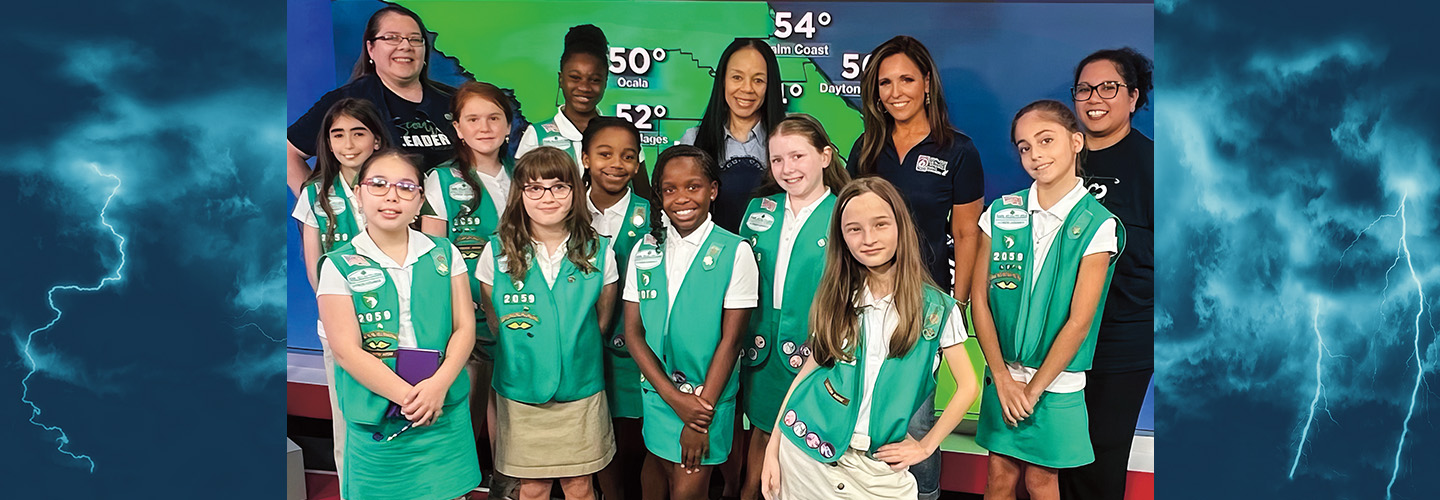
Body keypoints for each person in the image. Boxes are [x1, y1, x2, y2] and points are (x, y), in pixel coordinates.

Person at [759, 176, 979, 500]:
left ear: (900, 227)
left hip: (878, 471)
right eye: (854, 229)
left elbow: (968, 386)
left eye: (880, 225)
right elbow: (807, 373)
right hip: (806, 453)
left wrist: (926, 445)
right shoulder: (836, 297)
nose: (868, 239)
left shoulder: (937, 308)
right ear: (842, 237)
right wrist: (773, 447)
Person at [845, 35, 984, 500]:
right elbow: (851, 228)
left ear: (927, 84)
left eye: (906, 78)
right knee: (861, 410)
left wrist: (957, 305)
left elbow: (966, 235)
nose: (895, 90)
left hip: (924, 308)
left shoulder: (957, 150)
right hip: (866, 304)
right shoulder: (865, 147)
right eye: (885, 82)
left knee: (917, 424)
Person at [971, 100, 1123, 500]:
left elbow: (1079, 322)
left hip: (1054, 382)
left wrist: (1033, 389)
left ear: (1076, 142)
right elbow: (979, 299)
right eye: (1024, 147)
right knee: (999, 478)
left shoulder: (1097, 224)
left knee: (1042, 481)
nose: (1035, 154)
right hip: (1004, 377)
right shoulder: (1001, 212)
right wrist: (1003, 378)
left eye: (1045, 140)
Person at [316, 149, 481, 500]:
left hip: (442, 409)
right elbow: (346, 352)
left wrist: (437, 387)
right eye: (378, 184)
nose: (392, 195)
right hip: (378, 413)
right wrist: (410, 399)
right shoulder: (338, 264)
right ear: (359, 195)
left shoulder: (444, 252)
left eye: (406, 187)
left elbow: (465, 328)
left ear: (420, 201)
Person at [474, 146, 620, 500]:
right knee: (533, 488)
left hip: (580, 388)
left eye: (559, 186)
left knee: (579, 487)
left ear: (575, 191)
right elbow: (495, 322)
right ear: (519, 194)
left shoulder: (599, 251)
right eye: (534, 188)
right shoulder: (496, 253)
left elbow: (601, 321)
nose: (547, 197)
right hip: (522, 390)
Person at [622, 145, 758, 500]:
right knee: (654, 475)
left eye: (693, 187)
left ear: (712, 190)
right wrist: (672, 397)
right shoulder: (645, 249)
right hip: (659, 397)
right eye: (669, 189)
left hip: (705, 402)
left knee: (688, 487)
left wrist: (699, 415)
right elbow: (634, 334)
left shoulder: (735, 251)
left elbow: (731, 342)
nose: (681, 198)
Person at [736, 114, 851, 500]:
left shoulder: (843, 213)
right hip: (762, 353)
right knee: (762, 433)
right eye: (778, 159)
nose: (788, 169)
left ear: (825, 156)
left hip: (820, 353)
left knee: (806, 442)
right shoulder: (758, 211)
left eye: (798, 156)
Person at [1059, 47, 1154, 500]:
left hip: (1121, 340)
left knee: (1098, 460)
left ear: (1133, 97)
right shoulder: (1057, 161)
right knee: (1048, 460)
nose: (1094, 98)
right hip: (1054, 339)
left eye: (1108, 87)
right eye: (1083, 89)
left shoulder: (1155, 166)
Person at [419, 80, 515, 493]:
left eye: (494, 117)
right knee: (465, 413)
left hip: (517, 316)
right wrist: (457, 320)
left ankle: (505, 487)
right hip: (466, 322)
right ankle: (454, 487)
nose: (485, 127)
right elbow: (432, 258)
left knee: (509, 415)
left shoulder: (524, 174)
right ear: (457, 128)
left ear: (509, 126)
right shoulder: (440, 181)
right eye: (473, 119)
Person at [292, 97, 389, 498]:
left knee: (390, 413)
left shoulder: (395, 186)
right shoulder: (315, 193)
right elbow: (313, 264)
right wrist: (336, 315)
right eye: (337, 135)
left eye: (358, 133)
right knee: (346, 418)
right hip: (340, 326)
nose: (348, 144)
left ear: (377, 140)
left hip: (392, 322)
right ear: (327, 144)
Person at [288, 5, 459, 195]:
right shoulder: (345, 102)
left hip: (451, 219)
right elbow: (289, 152)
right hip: (376, 222)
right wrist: (316, 207)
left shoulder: (456, 102)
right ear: (371, 48)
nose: (405, 46)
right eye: (391, 38)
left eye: (415, 39)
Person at [580, 117, 653, 500]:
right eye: (604, 153)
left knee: (630, 438)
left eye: (627, 156)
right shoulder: (564, 210)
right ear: (585, 157)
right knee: (590, 436)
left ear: (639, 162)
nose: (616, 163)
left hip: (634, 351)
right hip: (579, 347)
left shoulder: (653, 215)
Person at [678, 38, 786, 234]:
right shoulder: (693, 141)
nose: (747, 89)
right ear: (722, 80)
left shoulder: (788, 139)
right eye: (737, 77)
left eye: (758, 80)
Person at [516, 24, 611, 172]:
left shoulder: (620, 134)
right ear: (561, 79)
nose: (584, 87)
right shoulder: (537, 135)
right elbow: (521, 191)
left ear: (606, 81)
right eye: (575, 77)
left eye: (595, 80)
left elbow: (641, 194)